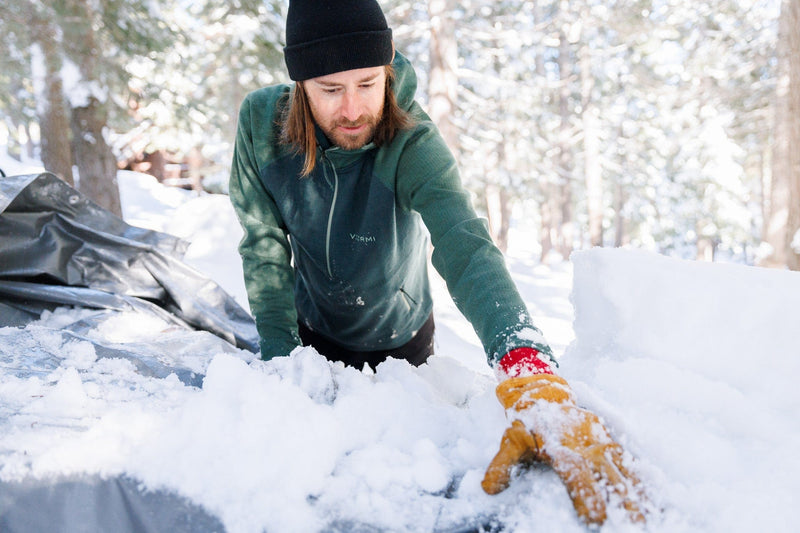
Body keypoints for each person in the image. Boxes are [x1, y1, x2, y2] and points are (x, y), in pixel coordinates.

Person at [229, 0, 646, 525]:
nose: (353, 109)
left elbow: (465, 245)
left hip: (402, 339)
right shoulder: (260, 125)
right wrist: (280, 357)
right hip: (310, 330)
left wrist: (528, 367)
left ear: (387, 67)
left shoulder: (410, 142)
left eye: (367, 83)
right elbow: (263, 242)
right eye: (330, 90)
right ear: (299, 86)